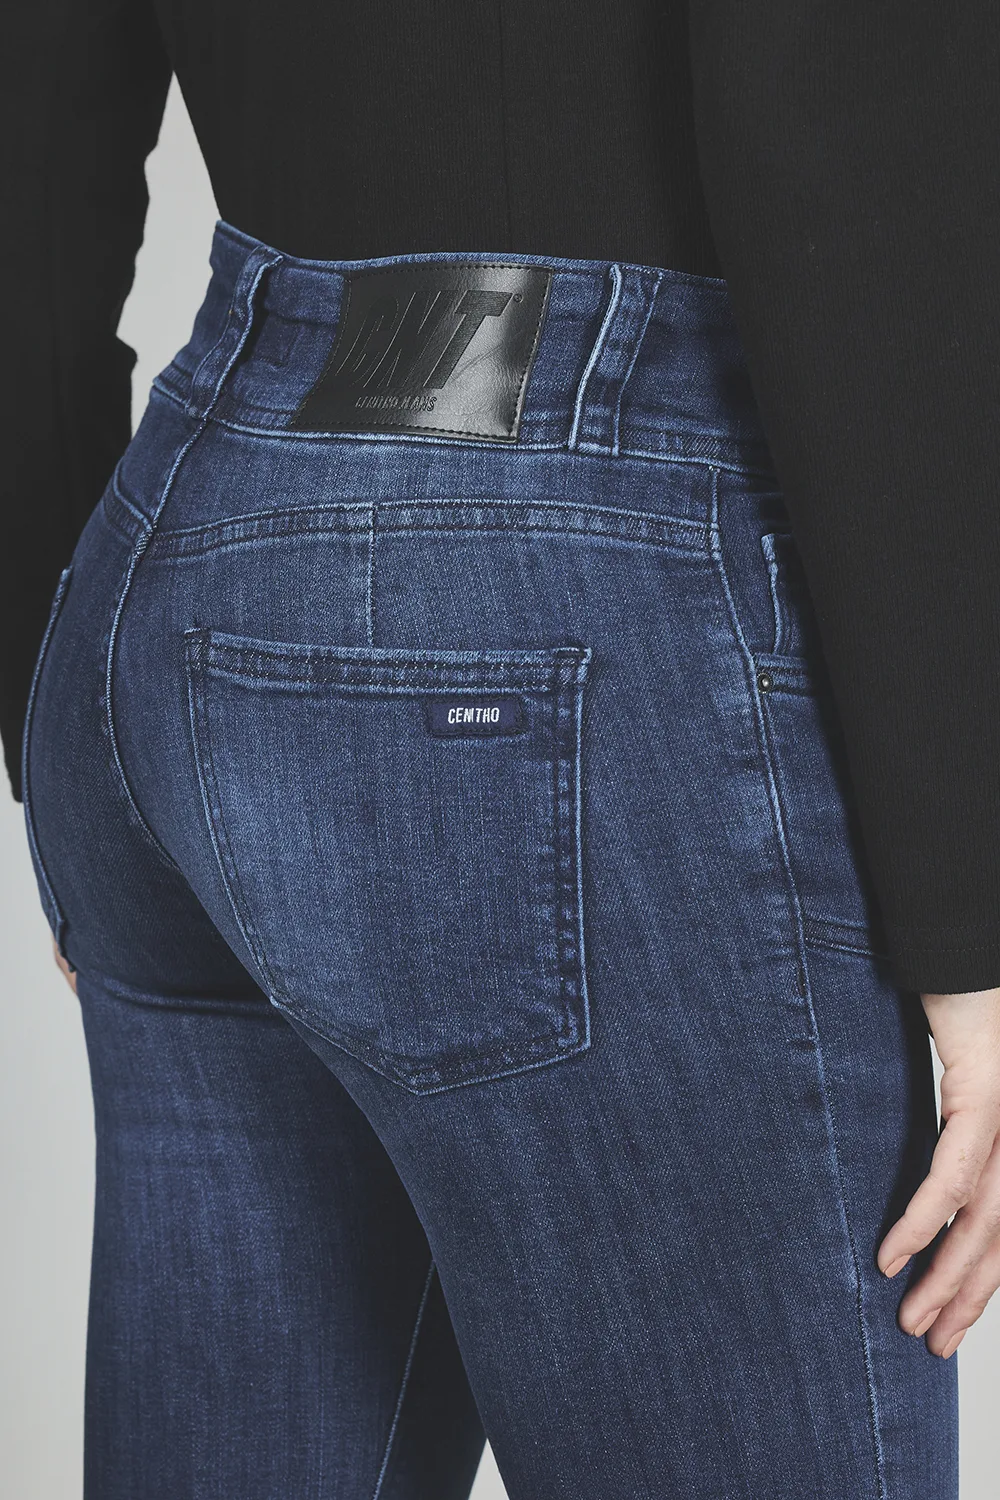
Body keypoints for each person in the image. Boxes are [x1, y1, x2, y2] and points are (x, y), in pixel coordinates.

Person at [4, 2, 1000, 1495]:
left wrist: (46, 683)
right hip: (567, 598)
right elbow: (848, 127)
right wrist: (969, 902)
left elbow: (29, 104)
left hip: (180, 543)